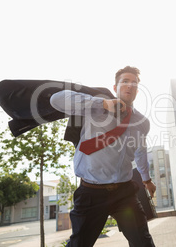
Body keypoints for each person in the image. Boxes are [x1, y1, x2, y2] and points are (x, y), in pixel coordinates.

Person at [50, 66, 156, 247]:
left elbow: (140, 152)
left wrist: (146, 180)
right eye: (125, 81)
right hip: (91, 192)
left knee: (143, 243)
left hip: (125, 193)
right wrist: (102, 103)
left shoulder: (142, 123)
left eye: (134, 83)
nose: (130, 86)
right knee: (79, 244)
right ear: (115, 87)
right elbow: (56, 100)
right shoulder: (95, 106)